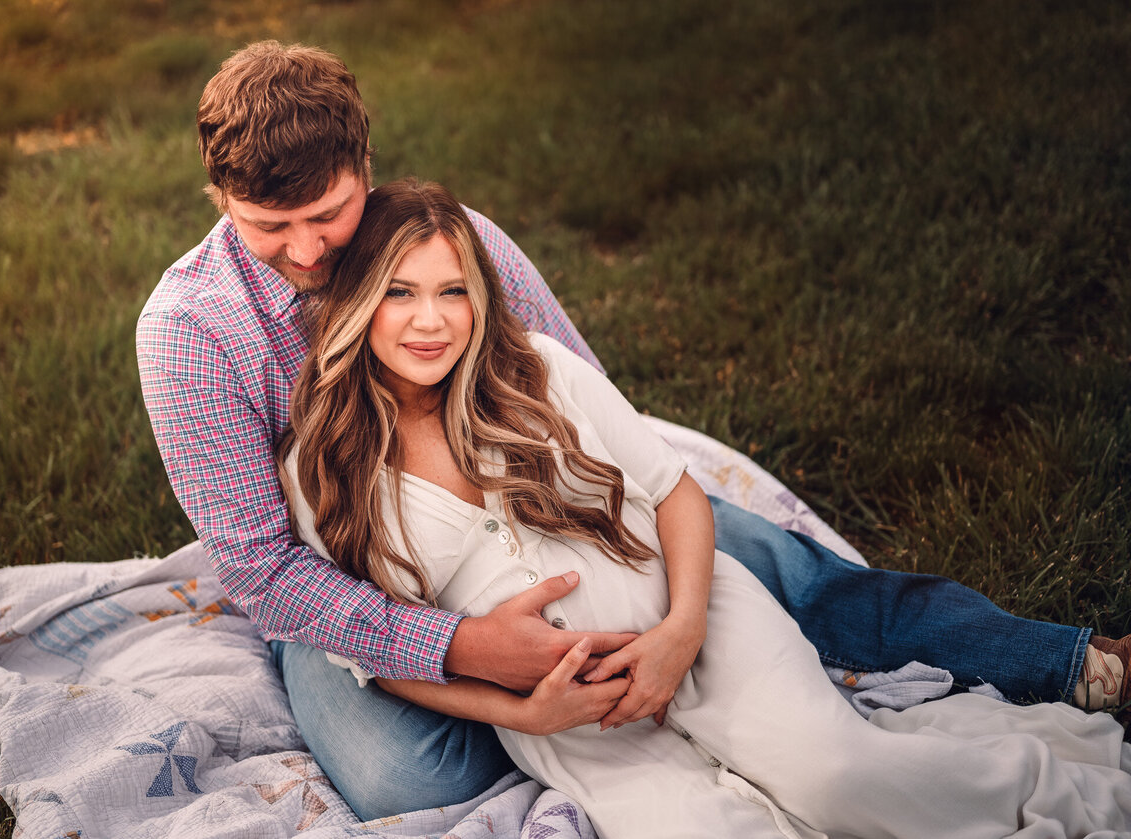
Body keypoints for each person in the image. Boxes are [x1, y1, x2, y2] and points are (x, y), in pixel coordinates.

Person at [136, 40, 1130, 821]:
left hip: (526, 494)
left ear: (364, 165)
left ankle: (1073, 660)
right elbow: (271, 573)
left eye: (329, 215)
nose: (307, 251)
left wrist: (660, 597)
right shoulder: (191, 334)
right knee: (402, 780)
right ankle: (601, 735)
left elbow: (575, 399)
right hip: (359, 564)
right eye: (271, 230)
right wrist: (474, 648)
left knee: (783, 574)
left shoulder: (447, 242)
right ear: (219, 198)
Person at [278, 176, 1131, 838]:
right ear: (356, 302)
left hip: (699, 627)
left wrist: (681, 628)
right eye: (400, 291)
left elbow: (677, 490)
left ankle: (1035, 778)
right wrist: (524, 712)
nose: (432, 320)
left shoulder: (536, 369)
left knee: (842, 777)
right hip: (575, 721)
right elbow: (378, 651)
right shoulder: (326, 466)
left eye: (453, 290)